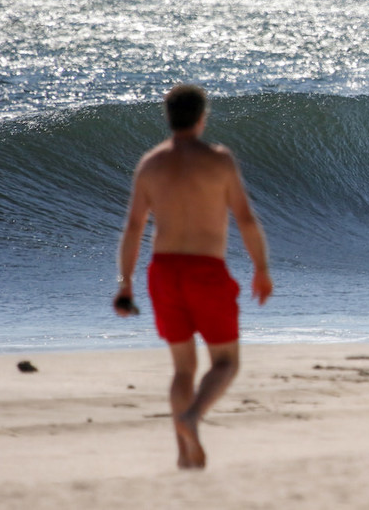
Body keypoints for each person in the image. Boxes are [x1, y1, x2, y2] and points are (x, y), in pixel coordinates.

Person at [114, 84, 272, 470]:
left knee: (183, 368)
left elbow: (134, 227)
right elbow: (245, 218)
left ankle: (185, 453)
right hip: (205, 270)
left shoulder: (150, 164)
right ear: (203, 118)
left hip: (164, 271)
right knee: (226, 363)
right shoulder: (219, 161)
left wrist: (126, 281)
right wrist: (261, 268)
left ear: (168, 118)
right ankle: (193, 417)